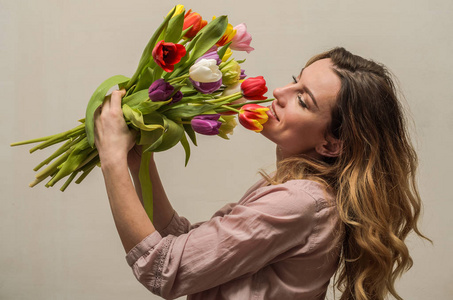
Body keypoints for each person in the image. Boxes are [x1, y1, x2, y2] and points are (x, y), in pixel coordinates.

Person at [93, 47, 427, 300]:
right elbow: (189, 248)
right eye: (295, 81)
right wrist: (141, 164)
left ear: (331, 143)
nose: (279, 93)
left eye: (303, 100)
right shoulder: (302, 191)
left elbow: (165, 269)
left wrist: (112, 160)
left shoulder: (299, 202)